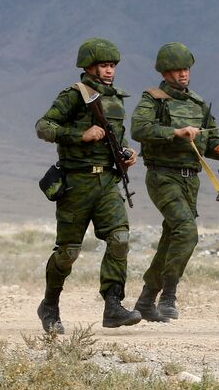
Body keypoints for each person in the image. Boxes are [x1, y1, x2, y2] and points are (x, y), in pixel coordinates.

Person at [33, 38, 143, 332]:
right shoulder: (73, 95)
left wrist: (128, 153)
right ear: (89, 67)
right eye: (104, 66)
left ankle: (114, 305)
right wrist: (80, 134)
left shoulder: (117, 98)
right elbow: (44, 127)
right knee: (68, 252)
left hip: (107, 181)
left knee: (120, 239)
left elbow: (116, 137)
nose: (109, 71)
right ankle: (50, 306)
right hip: (77, 183)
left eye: (112, 66)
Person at [130, 42, 219, 322]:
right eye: (177, 70)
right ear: (165, 73)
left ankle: (146, 299)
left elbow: (211, 145)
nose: (183, 75)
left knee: (172, 238)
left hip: (190, 180)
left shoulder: (198, 104)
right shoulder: (153, 99)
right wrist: (175, 132)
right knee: (187, 231)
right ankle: (169, 295)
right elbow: (139, 129)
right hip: (162, 175)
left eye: (186, 69)